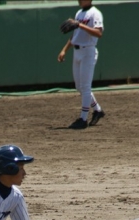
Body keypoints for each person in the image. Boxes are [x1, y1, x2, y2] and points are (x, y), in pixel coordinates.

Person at [57, 0, 105, 130]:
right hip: (77, 52)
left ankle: (83, 119)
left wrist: (80, 25)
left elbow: (99, 33)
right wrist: (64, 50)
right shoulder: (79, 13)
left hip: (88, 51)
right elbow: (75, 35)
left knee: (85, 87)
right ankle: (98, 110)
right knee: (80, 87)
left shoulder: (95, 13)